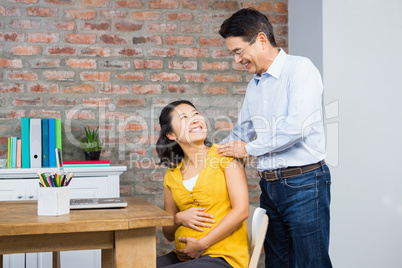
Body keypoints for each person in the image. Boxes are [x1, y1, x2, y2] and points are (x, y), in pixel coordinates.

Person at [216, 8, 332, 268]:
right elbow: (241, 132)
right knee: (277, 263)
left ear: (260, 40)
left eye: (237, 51)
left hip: (304, 183)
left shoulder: (300, 69)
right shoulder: (254, 85)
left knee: (311, 263)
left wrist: (250, 149)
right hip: (269, 188)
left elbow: (297, 126)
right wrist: (208, 154)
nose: (236, 60)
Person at [156, 100, 250, 268]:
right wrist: (178, 218)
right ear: (171, 135)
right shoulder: (172, 176)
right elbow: (168, 235)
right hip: (184, 258)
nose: (194, 119)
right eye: (184, 117)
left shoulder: (225, 156)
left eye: (196, 114)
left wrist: (202, 244)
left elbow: (241, 211)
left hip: (223, 257)